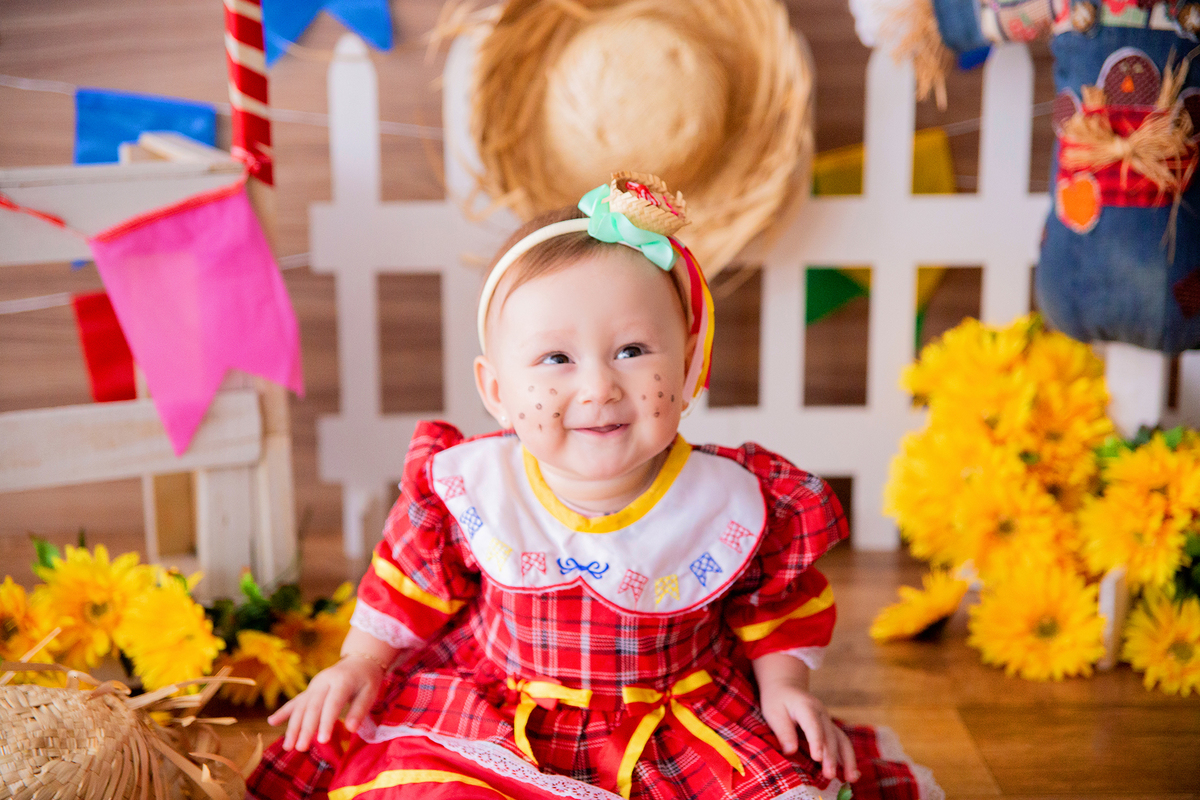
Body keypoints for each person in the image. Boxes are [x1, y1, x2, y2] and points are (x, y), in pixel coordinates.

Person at [248, 174, 941, 800]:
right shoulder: (474, 487)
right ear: (496, 391)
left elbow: (777, 603)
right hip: (496, 709)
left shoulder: (729, 500)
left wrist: (785, 683)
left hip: (675, 720)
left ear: (694, 363)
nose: (599, 387)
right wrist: (360, 664)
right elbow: (410, 579)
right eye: (555, 359)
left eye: (633, 351)